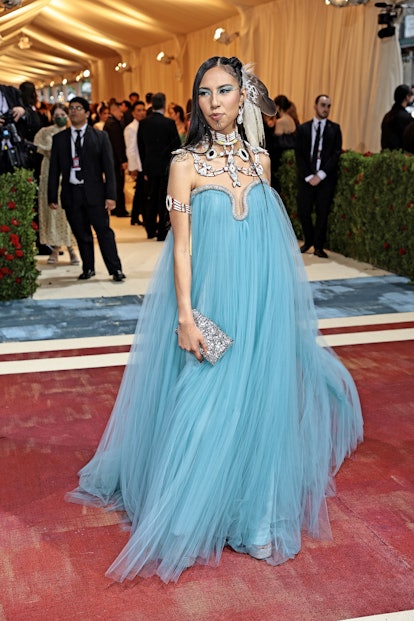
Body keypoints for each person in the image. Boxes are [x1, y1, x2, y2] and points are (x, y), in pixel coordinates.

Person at [66, 57, 362, 584]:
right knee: (202, 408)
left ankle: (252, 516)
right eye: (205, 93)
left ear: (243, 96)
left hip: (259, 305)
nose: (215, 102)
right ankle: (185, 515)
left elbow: (270, 245)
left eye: (225, 90)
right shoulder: (186, 164)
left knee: (256, 405)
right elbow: (182, 250)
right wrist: (185, 316)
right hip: (211, 306)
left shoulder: (261, 162)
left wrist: (278, 314)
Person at [48, 96, 125, 282]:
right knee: (82, 234)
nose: (73, 111)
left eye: (78, 108)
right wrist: (52, 196)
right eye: (71, 108)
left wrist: (111, 196)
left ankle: (115, 269)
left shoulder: (100, 137)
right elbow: (54, 170)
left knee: (104, 232)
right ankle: (88, 267)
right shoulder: (60, 139)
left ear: (87, 113)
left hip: (95, 194)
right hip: (71, 193)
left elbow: (109, 169)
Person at [295, 94, 342, 258]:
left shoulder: (334, 129)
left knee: (323, 213)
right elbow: (299, 154)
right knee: (304, 211)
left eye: (328, 106)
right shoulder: (303, 128)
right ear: (315, 106)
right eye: (323, 105)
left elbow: (335, 154)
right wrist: (308, 176)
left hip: (325, 179)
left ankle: (319, 246)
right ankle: (309, 241)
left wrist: (321, 175)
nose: (326, 109)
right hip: (306, 179)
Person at [34, 103, 80, 266]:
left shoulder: (73, 133)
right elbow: (42, 150)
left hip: (67, 176)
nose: (59, 117)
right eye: (56, 115)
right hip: (49, 175)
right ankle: (54, 248)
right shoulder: (44, 133)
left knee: (69, 213)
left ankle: (72, 249)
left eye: (62, 114)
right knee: (52, 213)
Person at [138, 92, 181, 240]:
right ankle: (162, 232)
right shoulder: (168, 123)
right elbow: (176, 146)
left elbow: (140, 147)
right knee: (163, 199)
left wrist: (144, 166)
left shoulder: (143, 123)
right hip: (165, 167)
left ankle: (150, 230)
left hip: (149, 167)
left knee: (150, 199)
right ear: (163, 104)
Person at [123, 100, 147, 226]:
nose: (142, 112)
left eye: (143, 110)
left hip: (144, 164)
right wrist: (134, 168)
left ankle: (136, 215)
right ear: (133, 113)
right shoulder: (130, 128)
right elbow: (131, 149)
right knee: (140, 191)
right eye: (139, 110)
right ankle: (136, 215)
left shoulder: (144, 125)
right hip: (138, 165)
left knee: (140, 191)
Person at [104, 101, 129, 217]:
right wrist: (123, 160)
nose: (121, 114)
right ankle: (120, 209)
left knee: (114, 184)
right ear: (114, 111)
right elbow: (118, 144)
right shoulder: (114, 125)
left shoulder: (109, 123)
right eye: (119, 111)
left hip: (111, 159)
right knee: (119, 185)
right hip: (116, 161)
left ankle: (115, 209)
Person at [381, 84, 414, 151]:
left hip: (386, 156)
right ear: (407, 97)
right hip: (400, 157)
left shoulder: (387, 116)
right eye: (411, 95)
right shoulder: (406, 117)